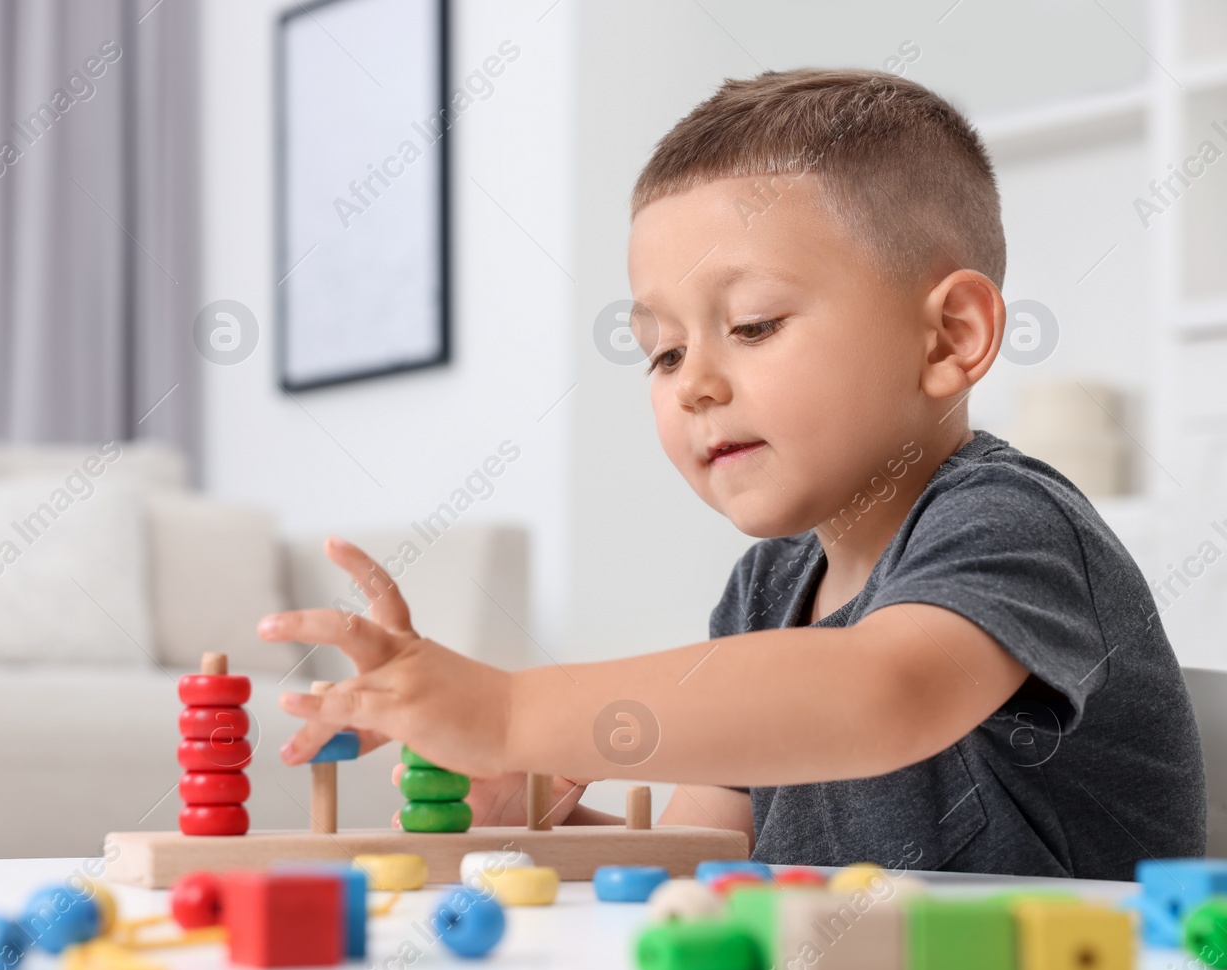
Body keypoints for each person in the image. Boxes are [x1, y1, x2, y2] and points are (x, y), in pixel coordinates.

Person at [260, 68, 1205, 880]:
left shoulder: (1010, 523)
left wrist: (511, 710)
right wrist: (527, 815)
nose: (695, 384)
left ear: (951, 336)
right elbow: (701, 862)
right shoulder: (766, 591)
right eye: (662, 352)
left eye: (752, 324)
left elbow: (881, 692)